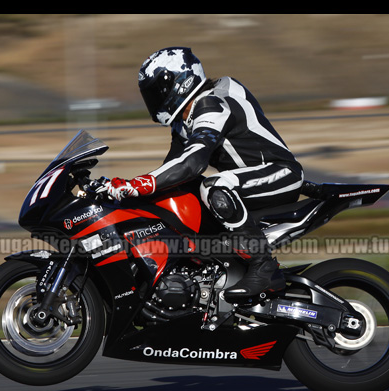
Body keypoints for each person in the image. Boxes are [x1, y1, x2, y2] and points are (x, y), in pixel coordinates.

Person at [105, 46, 304, 302]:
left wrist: (138, 184)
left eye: (158, 91)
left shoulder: (210, 105)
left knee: (212, 186)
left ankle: (264, 266)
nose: (154, 100)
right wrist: (122, 195)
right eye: (150, 94)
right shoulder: (184, 122)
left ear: (182, 82)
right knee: (176, 194)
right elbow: (173, 169)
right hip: (246, 184)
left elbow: (194, 162)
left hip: (281, 173)